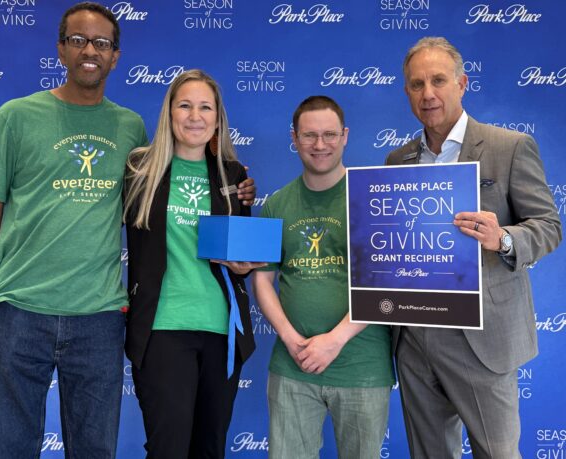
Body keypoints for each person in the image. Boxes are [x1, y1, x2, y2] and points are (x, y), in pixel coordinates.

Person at [0, 3, 255, 458]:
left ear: (115, 56)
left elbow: (186, 189)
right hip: (18, 311)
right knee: (12, 449)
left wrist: (237, 186)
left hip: (99, 319)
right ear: (60, 48)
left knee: (96, 451)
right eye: (78, 39)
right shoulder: (15, 116)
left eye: (101, 43)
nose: (89, 50)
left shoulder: (130, 132)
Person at [387, 37, 562, 458]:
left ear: (462, 84)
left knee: (497, 452)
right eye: (416, 84)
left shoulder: (510, 147)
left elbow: (549, 226)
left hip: (482, 337)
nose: (428, 93)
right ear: (407, 92)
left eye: (438, 80)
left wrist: (502, 238)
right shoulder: (397, 162)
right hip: (414, 336)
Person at [123, 69, 264, 459]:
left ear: (218, 118)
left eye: (205, 107)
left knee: (210, 448)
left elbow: (244, 255)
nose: (194, 116)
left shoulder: (234, 177)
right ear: (169, 113)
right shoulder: (139, 170)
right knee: (168, 448)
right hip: (162, 330)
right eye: (184, 105)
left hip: (222, 334)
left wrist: (244, 266)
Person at [253, 96, 395, 459]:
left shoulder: (374, 199)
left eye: (329, 134)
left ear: (345, 136)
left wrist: (334, 340)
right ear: (294, 138)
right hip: (292, 367)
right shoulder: (276, 205)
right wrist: (290, 339)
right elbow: (262, 281)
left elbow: (384, 283)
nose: (320, 145)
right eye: (309, 135)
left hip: (362, 367)